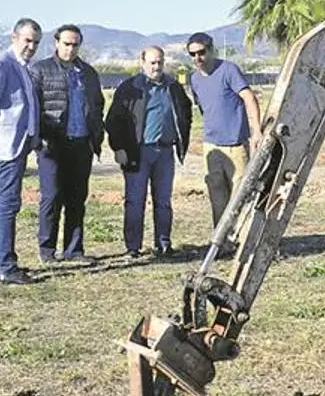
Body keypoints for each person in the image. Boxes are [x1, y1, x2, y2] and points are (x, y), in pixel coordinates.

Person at [105, 46, 192, 258]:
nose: (156, 67)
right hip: (138, 152)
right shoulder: (130, 87)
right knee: (135, 201)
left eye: (160, 62)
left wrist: (182, 138)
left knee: (163, 201)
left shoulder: (173, 87)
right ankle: (133, 247)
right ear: (142, 62)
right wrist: (119, 148)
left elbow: (186, 112)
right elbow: (114, 120)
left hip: (165, 152)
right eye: (152, 62)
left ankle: (163, 243)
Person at [28, 24, 105, 264]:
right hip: (53, 145)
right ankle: (47, 250)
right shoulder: (40, 70)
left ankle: (74, 250)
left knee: (77, 199)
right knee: (52, 197)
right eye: (66, 44)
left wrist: (96, 136)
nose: (70, 49)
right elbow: (33, 107)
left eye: (75, 45)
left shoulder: (89, 73)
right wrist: (40, 138)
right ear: (56, 43)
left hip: (82, 144)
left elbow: (98, 105)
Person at [0, 18, 42, 285]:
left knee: (3, 203)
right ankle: (7, 266)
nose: (31, 47)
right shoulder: (1, 65)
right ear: (14, 37)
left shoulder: (23, 66)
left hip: (19, 143)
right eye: (27, 40)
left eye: (36, 42)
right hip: (6, 145)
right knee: (8, 205)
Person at [186, 32, 262, 234]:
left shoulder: (229, 70)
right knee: (217, 194)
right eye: (192, 54)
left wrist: (256, 131)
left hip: (236, 145)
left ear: (212, 50)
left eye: (201, 52)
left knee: (240, 194)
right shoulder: (194, 79)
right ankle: (221, 240)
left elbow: (249, 98)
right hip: (211, 145)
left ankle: (243, 239)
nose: (198, 58)